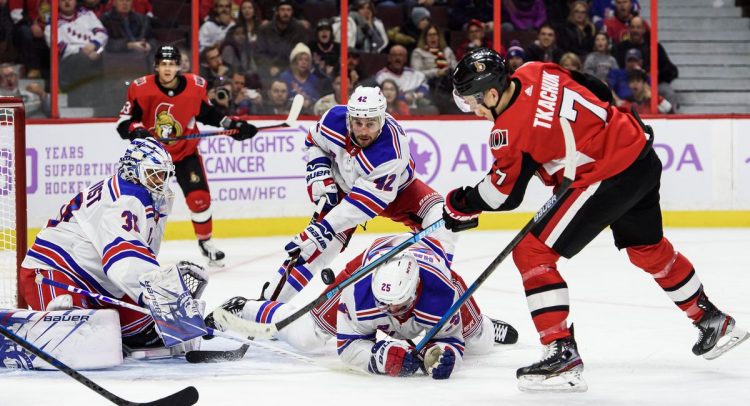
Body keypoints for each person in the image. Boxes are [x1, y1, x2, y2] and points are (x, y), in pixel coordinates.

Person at [447, 47, 749, 392]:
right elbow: (598, 89)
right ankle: (712, 319)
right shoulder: (535, 70)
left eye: (473, 100)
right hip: (638, 153)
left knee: (532, 253)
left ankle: (560, 352)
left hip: (605, 175)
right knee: (646, 249)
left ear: (492, 92)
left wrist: (461, 202)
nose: (473, 109)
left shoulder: (509, 132)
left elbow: (503, 196)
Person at [208, 234, 519, 378]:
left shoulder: (443, 292)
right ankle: (247, 306)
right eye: (386, 306)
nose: (392, 314)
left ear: (416, 290)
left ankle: (485, 321)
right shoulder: (359, 294)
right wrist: (379, 359)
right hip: (369, 263)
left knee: (481, 344)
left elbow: (450, 341)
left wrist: (447, 353)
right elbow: (348, 347)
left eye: (399, 306)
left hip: (430, 269)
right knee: (306, 338)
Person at [262, 86, 460, 303]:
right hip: (343, 189)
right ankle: (267, 304)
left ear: (381, 120)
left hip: (399, 193)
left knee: (442, 222)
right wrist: (320, 172)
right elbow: (314, 142)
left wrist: (325, 228)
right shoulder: (334, 119)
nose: (363, 131)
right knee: (311, 249)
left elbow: (364, 204)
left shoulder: (392, 151)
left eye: (370, 124)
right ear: (349, 119)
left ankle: (439, 300)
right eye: (358, 123)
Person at [17, 138, 208, 355]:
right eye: (153, 173)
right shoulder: (126, 199)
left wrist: (156, 285)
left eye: (162, 174)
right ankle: (38, 329)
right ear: (134, 170)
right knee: (71, 337)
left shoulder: (144, 196)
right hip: (54, 271)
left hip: (101, 282)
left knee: (148, 332)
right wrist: (160, 294)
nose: (159, 181)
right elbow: (124, 257)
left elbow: (139, 252)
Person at [116, 45, 258, 266]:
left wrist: (234, 126)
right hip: (153, 157)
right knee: (142, 205)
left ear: (178, 66)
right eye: (163, 64)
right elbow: (124, 122)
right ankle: (138, 247)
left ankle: (206, 243)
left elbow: (209, 113)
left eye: (171, 64)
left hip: (185, 154)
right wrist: (137, 130)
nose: (167, 69)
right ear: (156, 66)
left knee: (199, 198)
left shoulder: (195, 86)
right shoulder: (140, 88)